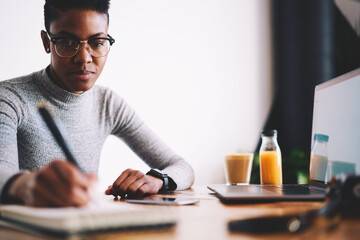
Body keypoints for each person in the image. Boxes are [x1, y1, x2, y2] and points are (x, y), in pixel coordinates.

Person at [0, 0, 194, 207]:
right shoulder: (9, 99)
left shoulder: (107, 104)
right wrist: (26, 186)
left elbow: (182, 167)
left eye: (97, 42)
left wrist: (158, 180)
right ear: (46, 42)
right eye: (66, 42)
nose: (84, 58)